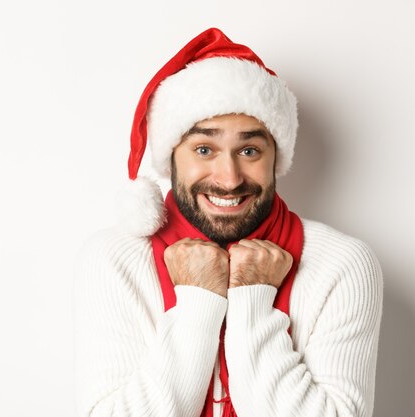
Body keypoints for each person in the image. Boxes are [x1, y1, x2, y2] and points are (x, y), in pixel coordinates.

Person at [74, 28, 383, 417]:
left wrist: (252, 298)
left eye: (249, 150)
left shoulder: (343, 264)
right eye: (204, 149)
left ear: (276, 158)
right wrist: (198, 302)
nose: (229, 178)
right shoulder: (113, 259)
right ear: (171, 157)